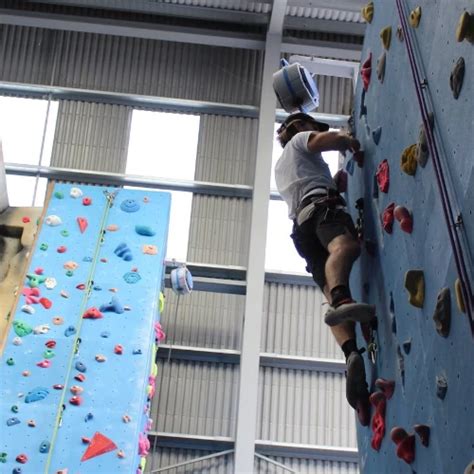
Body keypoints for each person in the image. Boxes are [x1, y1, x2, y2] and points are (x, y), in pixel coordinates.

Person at [274, 112, 375, 425]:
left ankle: (351, 353)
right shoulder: (302, 140)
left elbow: (307, 181)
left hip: (301, 227)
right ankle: (343, 300)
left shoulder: (282, 168)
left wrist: (335, 182)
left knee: (328, 288)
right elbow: (327, 141)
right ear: (303, 128)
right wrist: (349, 140)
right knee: (345, 247)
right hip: (322, 209)